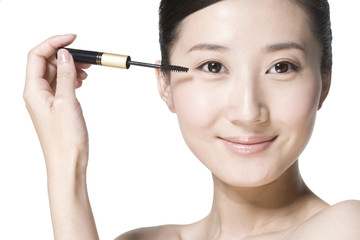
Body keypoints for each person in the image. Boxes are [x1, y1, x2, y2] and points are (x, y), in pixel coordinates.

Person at [24, 0, 360, 239]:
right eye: (213, 66)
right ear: (165, 84)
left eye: (282, 66)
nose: (247, 111)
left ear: (324, 82)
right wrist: (65, 160)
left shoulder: (347, 228)